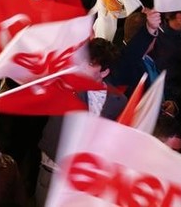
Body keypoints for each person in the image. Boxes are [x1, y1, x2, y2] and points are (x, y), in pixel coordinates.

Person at [36, 38, 127, 205]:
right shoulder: (63, 84)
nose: (83, 66)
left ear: (104, 72)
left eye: (91, 64)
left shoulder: (119, 100)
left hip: (91, 179)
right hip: (55, 171)